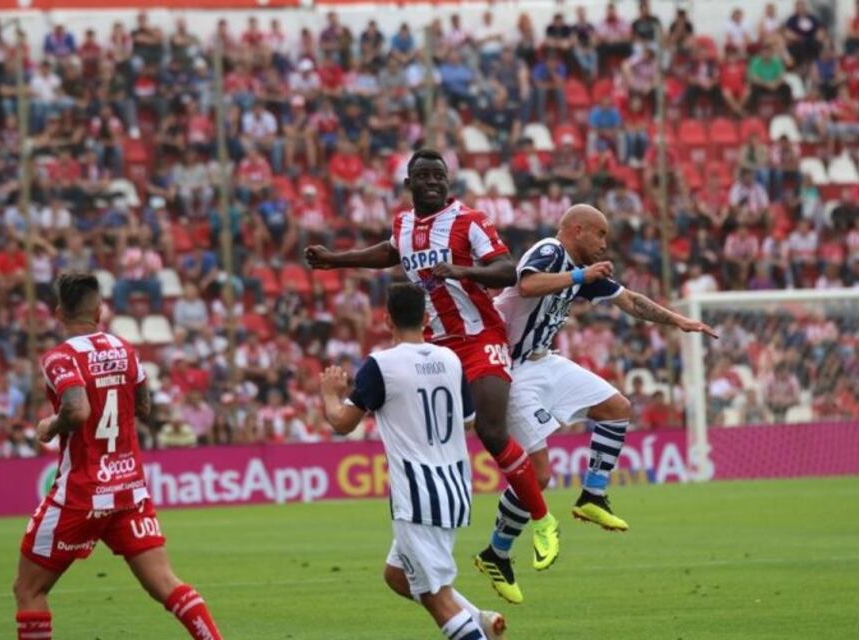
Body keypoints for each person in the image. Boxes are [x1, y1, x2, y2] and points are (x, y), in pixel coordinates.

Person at [306, 149, 560, 568]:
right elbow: (391, 252)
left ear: (448, 182)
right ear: (409, 184)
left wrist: (462, 271)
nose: (431, 182)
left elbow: (506, 270)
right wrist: (336, 260)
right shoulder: (404, 223)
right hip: (436, 346)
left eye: (438, 176)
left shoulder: (470, 221)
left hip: (479, 336)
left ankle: (542, 520)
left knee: (492, 433)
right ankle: (422, 532)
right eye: (422, 176)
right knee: (437, 434)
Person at [473, 205, 717, 604]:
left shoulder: (581, 272)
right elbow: (528, 284)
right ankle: (496, 553)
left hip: (544, 360)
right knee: (540, 474)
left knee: (617, 408)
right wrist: (580, 276)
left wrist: (679, 321)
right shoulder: (551, 250)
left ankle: (592, 496)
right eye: (600, 235)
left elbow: (631, 301)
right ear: (578, 230)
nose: (604, 244)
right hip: (511, 368)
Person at [13, 273, 222, 640]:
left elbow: (76, 411)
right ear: (100, 309)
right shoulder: (126, 349)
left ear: (59, 312)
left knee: (29, 590)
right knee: (167, 585)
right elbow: (143, 404)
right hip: (129, 489)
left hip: (81, 493)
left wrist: (51, 424)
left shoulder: (59, 357)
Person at [320, 283, 506, 640]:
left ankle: (476, 631)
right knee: (397, 575)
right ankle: (480, 619)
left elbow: (343, 423)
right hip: (455, 487)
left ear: (386, 319)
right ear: (425, 318)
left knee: (438, 601)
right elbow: (468, 420)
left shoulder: (381, 365)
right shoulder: (450, 359)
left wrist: (330, 395)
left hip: (418, 497)